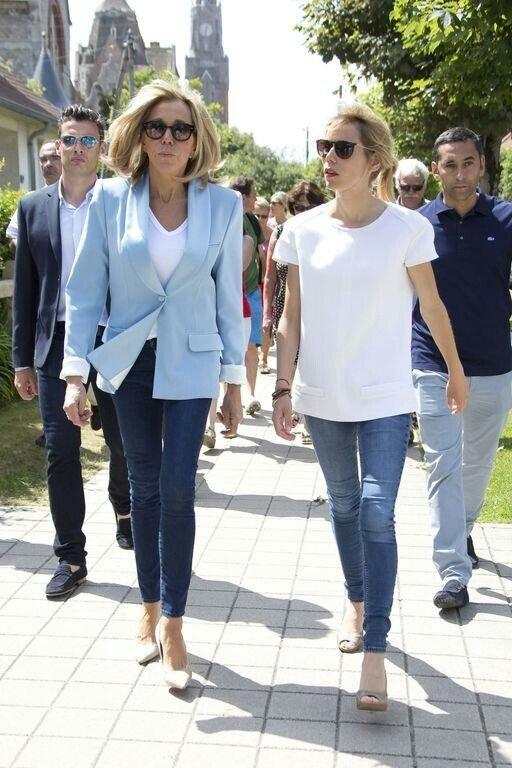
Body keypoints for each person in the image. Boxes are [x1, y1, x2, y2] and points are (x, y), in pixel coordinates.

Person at [272, 103, 467, 712]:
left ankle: (376, 648)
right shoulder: (301, 230)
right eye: (324, 147)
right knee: (345, 505)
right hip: (322, 396)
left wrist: (455, 370)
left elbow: (431, 306)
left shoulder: (406, 229)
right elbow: (290, 318)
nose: (329, 158)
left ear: (374, 160)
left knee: (377, 512)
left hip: (386, 395)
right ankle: (356, 603)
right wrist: (281, 388)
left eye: (342, 148)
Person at [61, 80, 245, 689]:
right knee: (142, 489)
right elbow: (85, 293)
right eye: (156, 127)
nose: (168, 138)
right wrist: (75, 374)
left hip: (192, 362)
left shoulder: (223, 206)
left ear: (197, 140)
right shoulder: (111, 199)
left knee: (177, 488)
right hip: (128, 365)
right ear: (139, 135)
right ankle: (148, 605)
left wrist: (234, 381)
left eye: (180, 129)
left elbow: (227, 298)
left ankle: (175, 621)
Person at [12, 105, 133, 600]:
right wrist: (22, 359)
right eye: (69, 140)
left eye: (87, 140)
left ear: (101, 148)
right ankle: (71, 557)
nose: (78, 149)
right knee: (61, 451)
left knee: (123, 443)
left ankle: (123, 505)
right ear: (57, 145)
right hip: (55, 342)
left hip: (113, 338)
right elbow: (25, 288)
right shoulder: (33, 208)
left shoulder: (122, 201)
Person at [412, 127, 512, 610]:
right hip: (432, 361)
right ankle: (453, 572)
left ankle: (463, 527)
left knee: (478, 462)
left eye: (467, 163)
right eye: (449, 165)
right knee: (442, 463)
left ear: (481, 165)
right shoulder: (417, 225)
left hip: (494, 362)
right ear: (436, 170)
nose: (459, 174)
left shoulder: (506, 218)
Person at [230, 176, 265, 415]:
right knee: (233, 349)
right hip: (230, 293)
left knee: (251, 345)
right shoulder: (226, 219)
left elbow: (262, 253)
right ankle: (232, 394)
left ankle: (250, 393)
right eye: (252, 195)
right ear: (242, 197)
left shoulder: (252, 220)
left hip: (251, 291)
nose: (255, 199)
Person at [6, 140, 62, 248]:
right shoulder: (29, 201)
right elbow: (13, 238)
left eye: (55, 158)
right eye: (43, 159)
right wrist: (33, 252)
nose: (48, 164)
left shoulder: (83, 197)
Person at [254, 196, 272, 374]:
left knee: (266, 320)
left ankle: (264, 358)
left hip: (267, 283)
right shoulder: (246, 231)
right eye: (257, 215)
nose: (260, 219)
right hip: (251, 283)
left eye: (264, 216)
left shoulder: (273, 234)